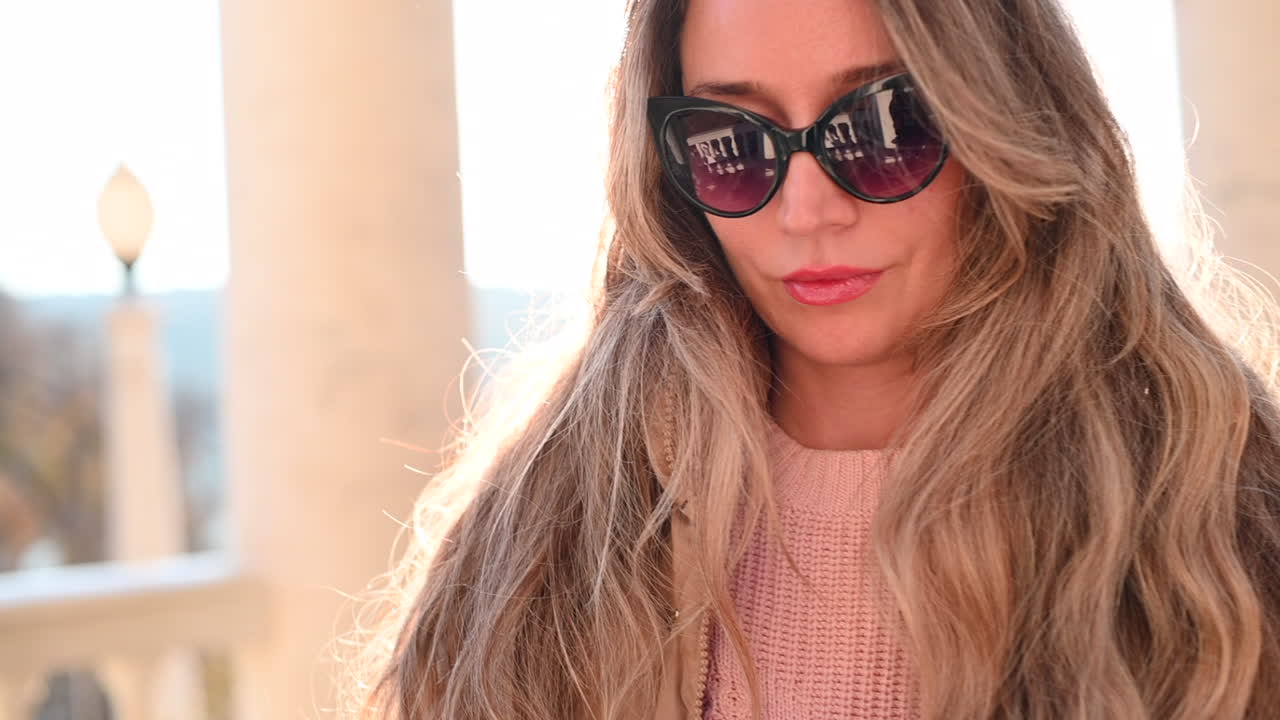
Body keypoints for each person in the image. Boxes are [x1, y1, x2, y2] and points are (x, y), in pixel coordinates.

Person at [345, 0, 1280, 718]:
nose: (807, 210)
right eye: (731, 144)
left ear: (1005, 120)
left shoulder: (1220, 517)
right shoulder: (549, 542)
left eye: (881, 126)